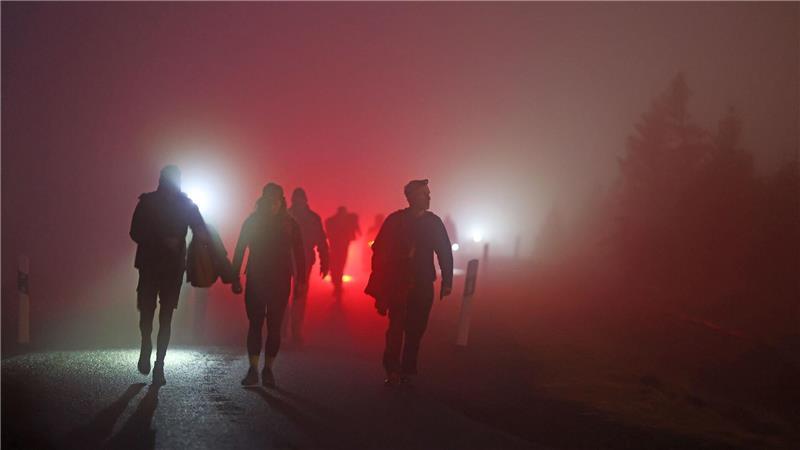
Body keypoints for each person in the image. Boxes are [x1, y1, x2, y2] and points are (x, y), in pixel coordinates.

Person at [365, 179, 453, 386]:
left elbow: (444, 251)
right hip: (399, 283)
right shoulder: (395, 221)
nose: (429, 197)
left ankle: (407, 368)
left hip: (423, 283)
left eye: (429, 193)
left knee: (416, 329)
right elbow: (378, 250)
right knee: (396, 326)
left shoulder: (434, 223)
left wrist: (447, 280)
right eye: (424, 194)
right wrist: (382, 277)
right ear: (412, 197)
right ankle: (392, 369)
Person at [130, 165, 208, 385]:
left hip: (167, 268)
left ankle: (159, 365)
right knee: (150, 314)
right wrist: (164, 240)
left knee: (164, 317)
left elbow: (200, 229)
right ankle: (148, 349)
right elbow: (134, 231)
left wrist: (200, 245)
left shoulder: (180, 204)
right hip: (153, 266)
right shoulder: (149, 203)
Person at [231, 183, 305, 387]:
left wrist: (302, 282)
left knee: (274, 327)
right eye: (269, 200)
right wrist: (234, 276)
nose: (272, 204)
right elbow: (240, 249)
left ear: (281, 201)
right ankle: (254, 369)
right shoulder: (253, 222)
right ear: (263, 201)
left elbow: (300, 255)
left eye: (276, 200)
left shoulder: (290, 225)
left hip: (280, 281)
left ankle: (268, 369)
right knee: (255, 324)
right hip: (256, 278)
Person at [287, 188, 330, 344]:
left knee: (295, 297)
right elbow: (322, 242)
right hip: (293, 261)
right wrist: (325, 262)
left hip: (298, 261)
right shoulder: (309, 217)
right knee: (294, 298)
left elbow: (321, 241)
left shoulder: (287, 215)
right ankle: (290, 333)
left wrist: (325, 262)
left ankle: (291, 332)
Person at [325, 206, 360, 298]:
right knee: (338, 266)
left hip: (337, 248)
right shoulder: (341, 221)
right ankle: (337, 286)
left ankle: (337, 286)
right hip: (339, 247)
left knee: (336, 267)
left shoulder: (332, 221)